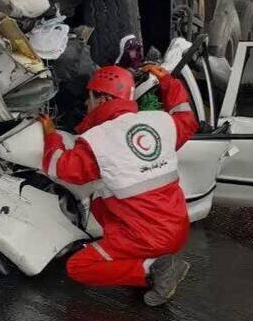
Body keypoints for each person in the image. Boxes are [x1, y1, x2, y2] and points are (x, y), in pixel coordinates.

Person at [39, 64, 198, 306]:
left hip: (148, 238)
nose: (86, 105)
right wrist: (168, 82)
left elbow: (57, 167)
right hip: (177, 228)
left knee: (78, 267)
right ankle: (151, 259)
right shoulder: (160, 122)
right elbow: (186, 117)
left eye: (89, 98)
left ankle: (154, 268)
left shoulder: (99, 139)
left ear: (103, 98)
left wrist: (52, 134)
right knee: (103, 200)